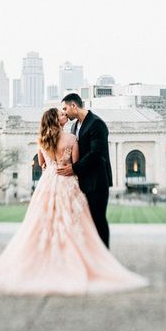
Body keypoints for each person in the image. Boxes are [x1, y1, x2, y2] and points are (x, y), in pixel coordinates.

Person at [0, 107, 149, 296]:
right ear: (57, 120)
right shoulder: (72, 139)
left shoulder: (42, 140)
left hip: (47, 182)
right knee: (73, 222)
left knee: (43, 221)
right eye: (61, 114)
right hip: (67, 182)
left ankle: (43, 258)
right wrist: (67, 166)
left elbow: (41, 163)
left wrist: (51, 165)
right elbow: (75, 163)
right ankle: (72, 259)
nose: (64, 115)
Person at [58, 94, 112, 248]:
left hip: (98, 181)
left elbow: (96, 153)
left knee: (98, 219)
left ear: (74, 105)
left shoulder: (97, 124)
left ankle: (104, 255)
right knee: (87, 221)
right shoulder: (75, 126)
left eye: (65, 108)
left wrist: (73, 168)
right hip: (83, 181)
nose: (64, 113)